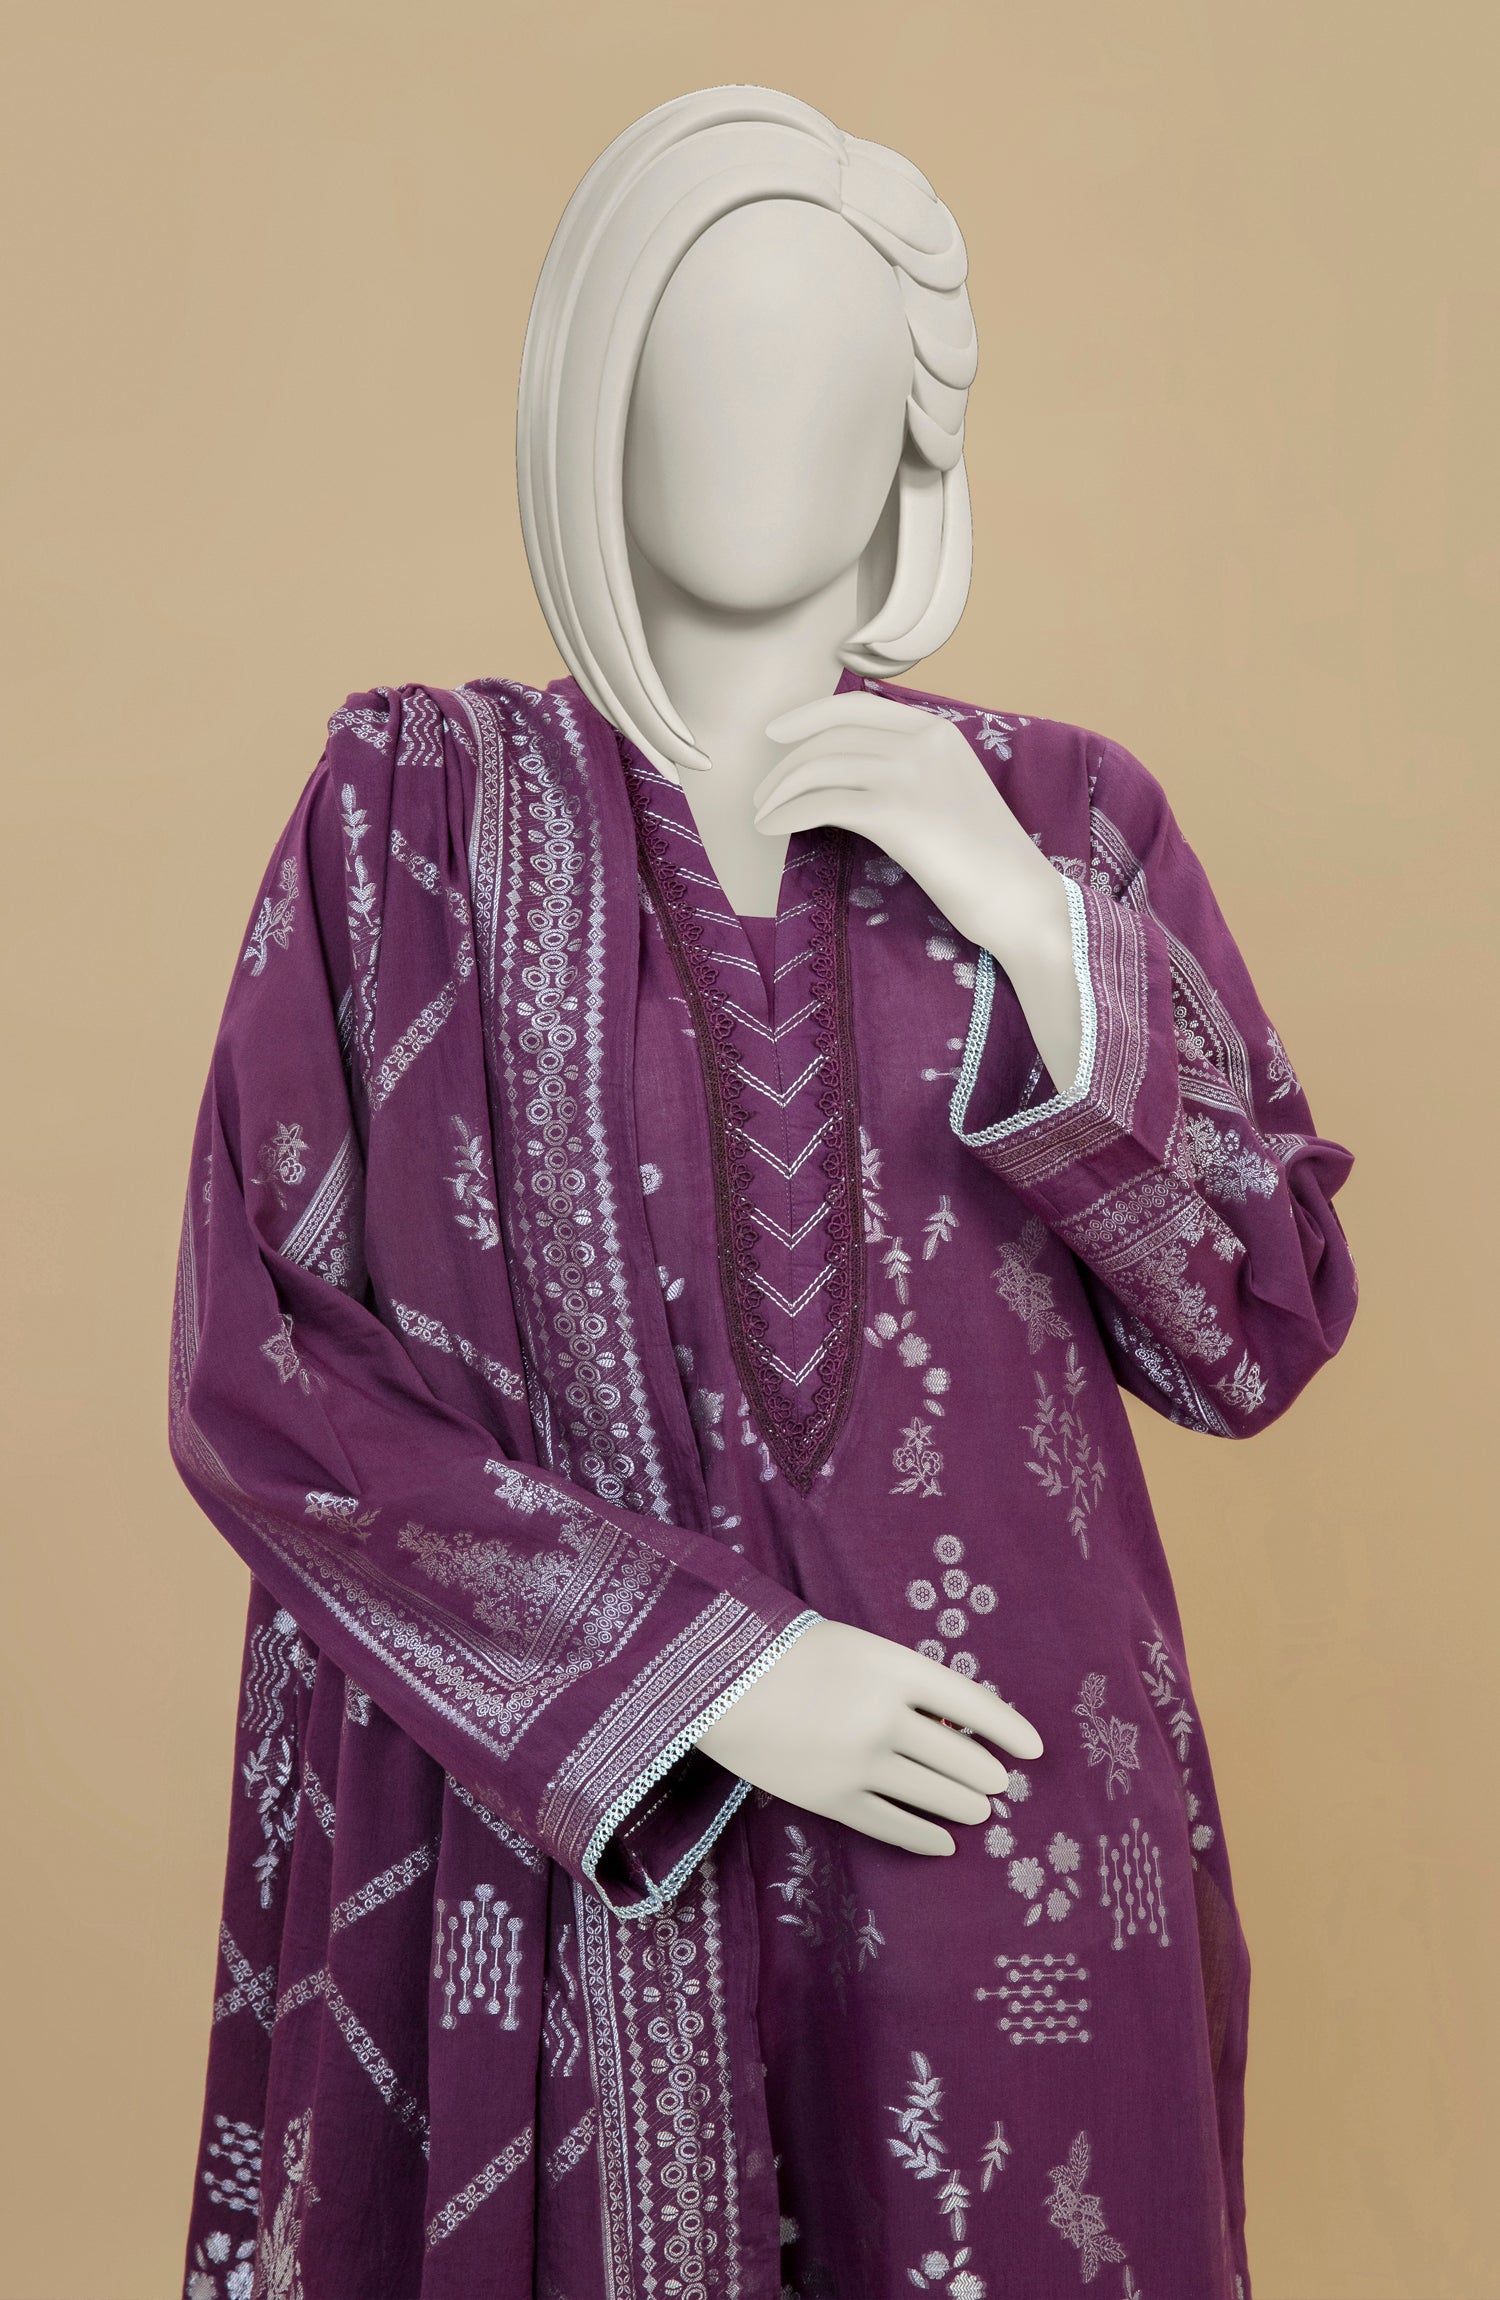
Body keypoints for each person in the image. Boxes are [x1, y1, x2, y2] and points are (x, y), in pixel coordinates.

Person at [172, 86, 1356, 2300]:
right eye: (702, 354)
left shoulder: (1067, 816)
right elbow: (264, 1370)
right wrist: (708, 1676)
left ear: (914, 435)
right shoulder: (405, 816)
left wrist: (1028, 923)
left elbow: (1256, 1319)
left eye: (821, 368)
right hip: (559, 1851)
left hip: (1000, 1845)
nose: (756, 421)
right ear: (590, 392)